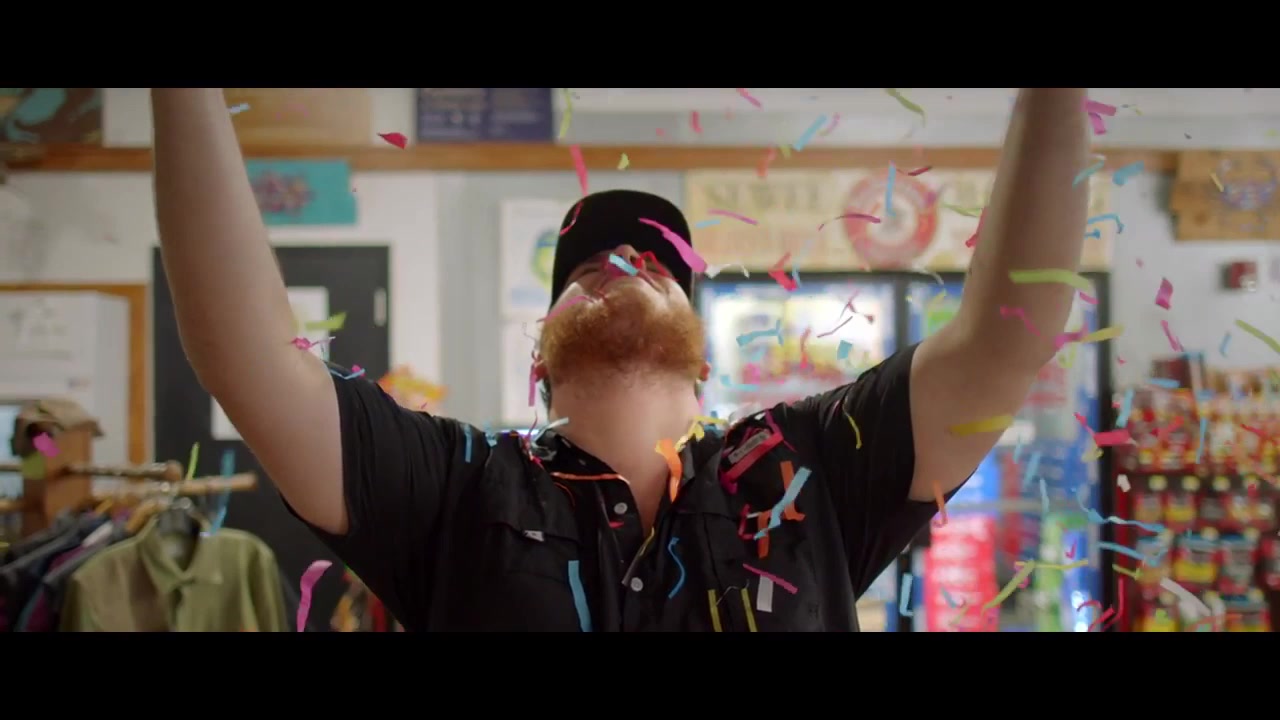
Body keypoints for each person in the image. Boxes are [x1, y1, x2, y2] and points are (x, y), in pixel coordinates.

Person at [152, 88, 1091, 631]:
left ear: (704, 358)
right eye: (586, 268)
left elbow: (1006, 336)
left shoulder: (810, 468)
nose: (622, 264)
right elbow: (247, 355)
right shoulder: (453, 485)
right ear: (540, 355)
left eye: (657, 265)